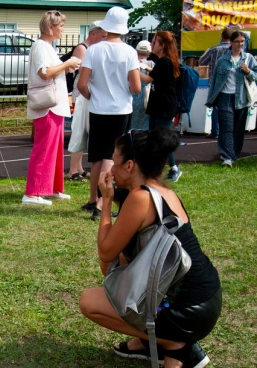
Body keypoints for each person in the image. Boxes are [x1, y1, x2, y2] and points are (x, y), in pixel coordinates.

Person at [79, 128, 222, 368]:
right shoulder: (162, 192)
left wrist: (107, 201)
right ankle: (148, 341)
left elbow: (105, 253)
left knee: (89, 301)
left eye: (115, 161)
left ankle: (177, 348)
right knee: (112, 281)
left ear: (130, 165)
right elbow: (119, 266)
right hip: (204, 299)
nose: (111, 169)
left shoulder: (140, 198)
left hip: (187, 310)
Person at [77, 6, 141, 219]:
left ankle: (92, 200)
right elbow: (136, 87)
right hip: (120, 109)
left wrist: (93, 96)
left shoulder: (93, 49)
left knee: (96, 156)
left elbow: (82, 84)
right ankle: (101, 204)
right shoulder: (130, 52)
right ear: (123, 28)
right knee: (109, 157)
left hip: (97, 109)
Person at [23, 10, 80, 206]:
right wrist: (67, 64)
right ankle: (32, 193)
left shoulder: (47, 46)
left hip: (55, 106)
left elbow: (51, 71)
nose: (62, 29)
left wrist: (68, 66)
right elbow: (45, 73)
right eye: (60, 26)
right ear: (50, 27)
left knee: (54, 150)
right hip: (47, 107)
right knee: (43, 149)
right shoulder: (40, 46)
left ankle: (52, 188)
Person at [206, 31, 257, 167]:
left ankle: (234, 153)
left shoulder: (249, 58)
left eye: (242, 41)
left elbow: (255, 76)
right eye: (237, 41)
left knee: (238, 129)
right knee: (227, 128)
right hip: (225, 97)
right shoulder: (222, 60)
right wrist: (211, 99)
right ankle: (228, 157)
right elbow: (215, 81)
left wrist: (248, 72)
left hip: (242, 98)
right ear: (231, 42)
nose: (240, 44)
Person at [66, 20, 107, 183]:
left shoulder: (93, 49)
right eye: (102, 35)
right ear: (93, 34)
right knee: (79, 130)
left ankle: (79, 168)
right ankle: (73, 170)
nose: (105, 39)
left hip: (87, 93)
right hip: (82, 94)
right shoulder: (82, 48)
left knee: (84, 131)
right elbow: (80, 72)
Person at [139, 31, 181, 182]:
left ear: (162, 45)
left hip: (164, 105)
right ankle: (159, 168)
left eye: (154, 41)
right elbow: (155, 76)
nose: (151, 44)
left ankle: (173, 168)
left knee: (162, 138)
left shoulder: (165, 61)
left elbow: (148, 79)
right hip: (159, 104)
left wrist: (132, 69)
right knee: (155, 137)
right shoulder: (162, 60)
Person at [199, 27, 233, 140]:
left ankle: (215, 131)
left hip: (215, 82)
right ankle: (227, 131)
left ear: (221, 36)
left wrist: (205, 52)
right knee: (230, 107)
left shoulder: (214, 49)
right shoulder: (234, 50)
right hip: (231, 82)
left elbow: (202, 62)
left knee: (216, 107)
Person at [130, 40, 154, 130]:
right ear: (149, 53)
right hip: (145, 99)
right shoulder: (151, 65)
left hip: (131, 97)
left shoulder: (131, 63)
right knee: (143, 127)